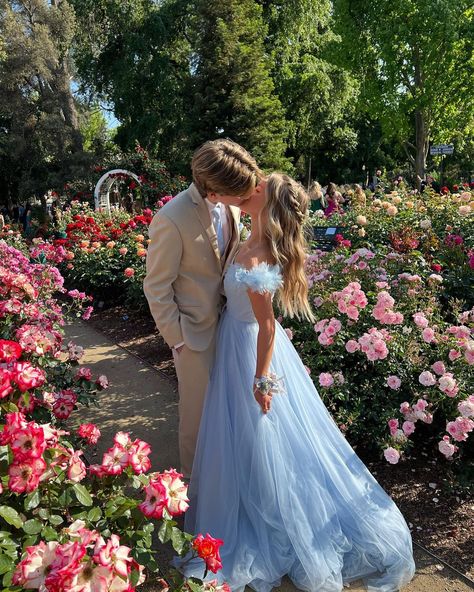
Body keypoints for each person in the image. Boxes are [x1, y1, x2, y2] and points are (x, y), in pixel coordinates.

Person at [180, 173, 416, 592]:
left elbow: (267, 326)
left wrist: (261, 378)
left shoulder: (257, 257)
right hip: (234, 342)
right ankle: (259, 508)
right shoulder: (244, 233)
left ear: (267, 204)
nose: (251, 188)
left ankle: (277, 523)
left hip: (252, 351)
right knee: (249, 440)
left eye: (259, 188)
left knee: (266, 438)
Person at [143, 139, 263, 478]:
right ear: (213, 191)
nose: (244, 198)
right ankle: (194, 499)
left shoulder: (233, 206)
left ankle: (228, 483)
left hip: (233, 327)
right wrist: (177, 339)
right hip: (193, 336)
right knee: (196, 419)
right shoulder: (171, 219)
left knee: (231, 412)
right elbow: (156, 286)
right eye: (238, 194)